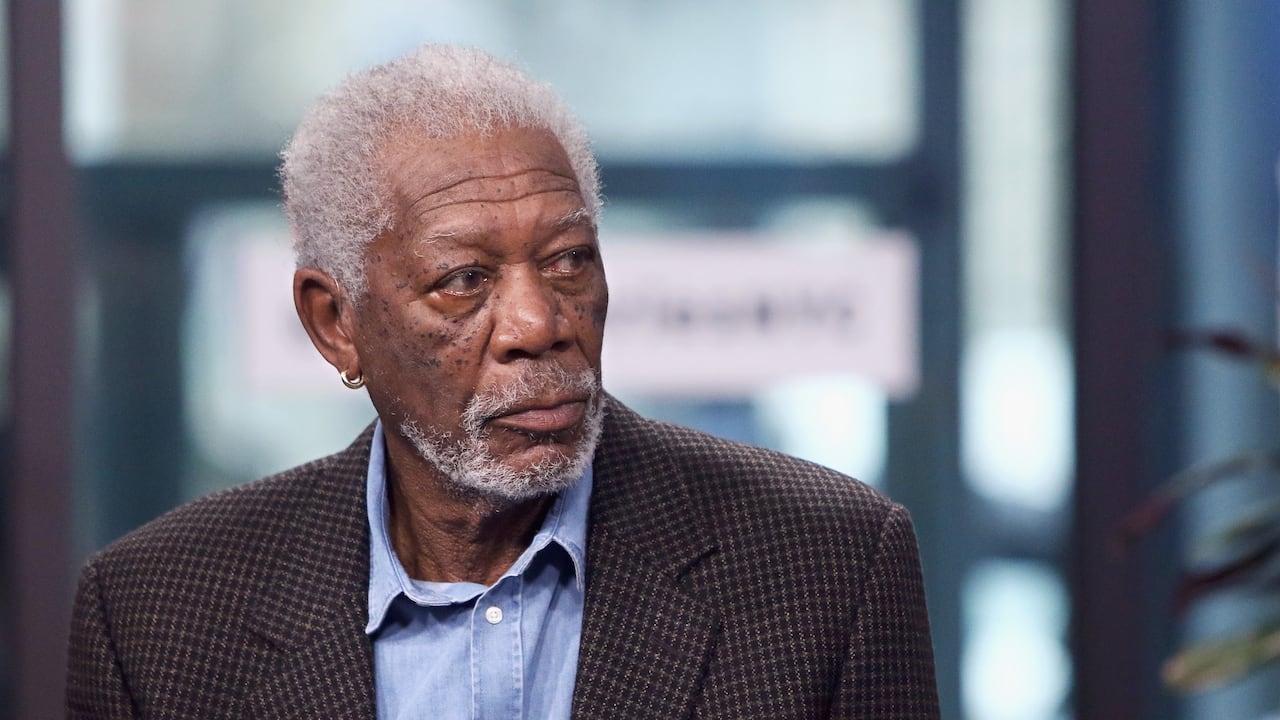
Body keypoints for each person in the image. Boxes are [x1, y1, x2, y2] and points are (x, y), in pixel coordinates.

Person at [66, 44, 939, 719]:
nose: (539, 325)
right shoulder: (157, 614)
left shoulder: (827, 567)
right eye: (464, 281)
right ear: (336, 325)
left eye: (567, 262)